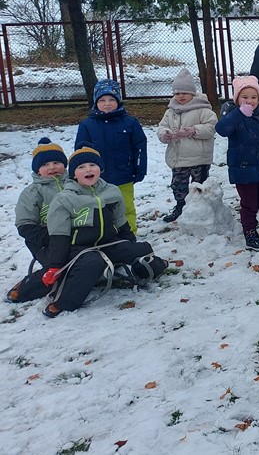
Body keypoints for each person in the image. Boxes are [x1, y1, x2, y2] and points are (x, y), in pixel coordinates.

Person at [41, 146, 167, 318]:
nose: (88, 170)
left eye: (92, 165)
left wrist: (130, 244)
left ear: (100, 169)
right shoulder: (65, 199)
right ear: (74, 175)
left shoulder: (112, 192)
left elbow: (120, 221)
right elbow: (59, 235)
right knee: (93, 262)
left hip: (108, 243)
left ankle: (149, 270)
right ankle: (64, 302)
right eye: (81, 167)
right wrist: (55, 265)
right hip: (78, 248)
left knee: (141, 249)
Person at [216, 76, 259, 250]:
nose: (250, 101)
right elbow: (222, 129)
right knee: (249, 204)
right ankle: (250, 234)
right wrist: (239, 113)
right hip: (243, 171)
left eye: (254, 97)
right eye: (245, 97)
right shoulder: (234, 117)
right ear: (237, 99)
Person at [75, 79, 147, 234]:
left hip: (124, 176)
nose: (107, 104)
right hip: (98, 179)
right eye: (102, 100)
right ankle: (106, 237)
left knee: (126, 208)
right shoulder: (87, 125)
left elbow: (139, 147)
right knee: (101, 210)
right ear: (96, 102)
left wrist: (139, 169)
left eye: (111, 100)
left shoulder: (130, 123)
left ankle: (130, 237)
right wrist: (82, 173)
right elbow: (81, 154)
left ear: (118, 101)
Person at [6, 138, 69, 303]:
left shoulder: (75, 184)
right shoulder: (32, 192)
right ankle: (25, 288)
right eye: (45, 164)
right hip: (41, 239)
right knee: (58, 267)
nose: (52, 167)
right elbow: (24, 224)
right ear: (38, 170)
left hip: (72, 235)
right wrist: (51, 237)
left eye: (56, 162)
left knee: (79, 263)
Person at [156, 68, 217, 223]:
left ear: (192, 93)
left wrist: (194, 130)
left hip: (199, 158)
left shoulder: (203, 109)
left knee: (199, 186)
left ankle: (202, 208)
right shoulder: (171, 111)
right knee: (178, 185)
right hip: (178, 157)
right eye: (177, 93)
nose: (180, 96)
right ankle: (180, 207)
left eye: (184, 93)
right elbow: (162, 126)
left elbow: (211, 127)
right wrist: (165, 133)